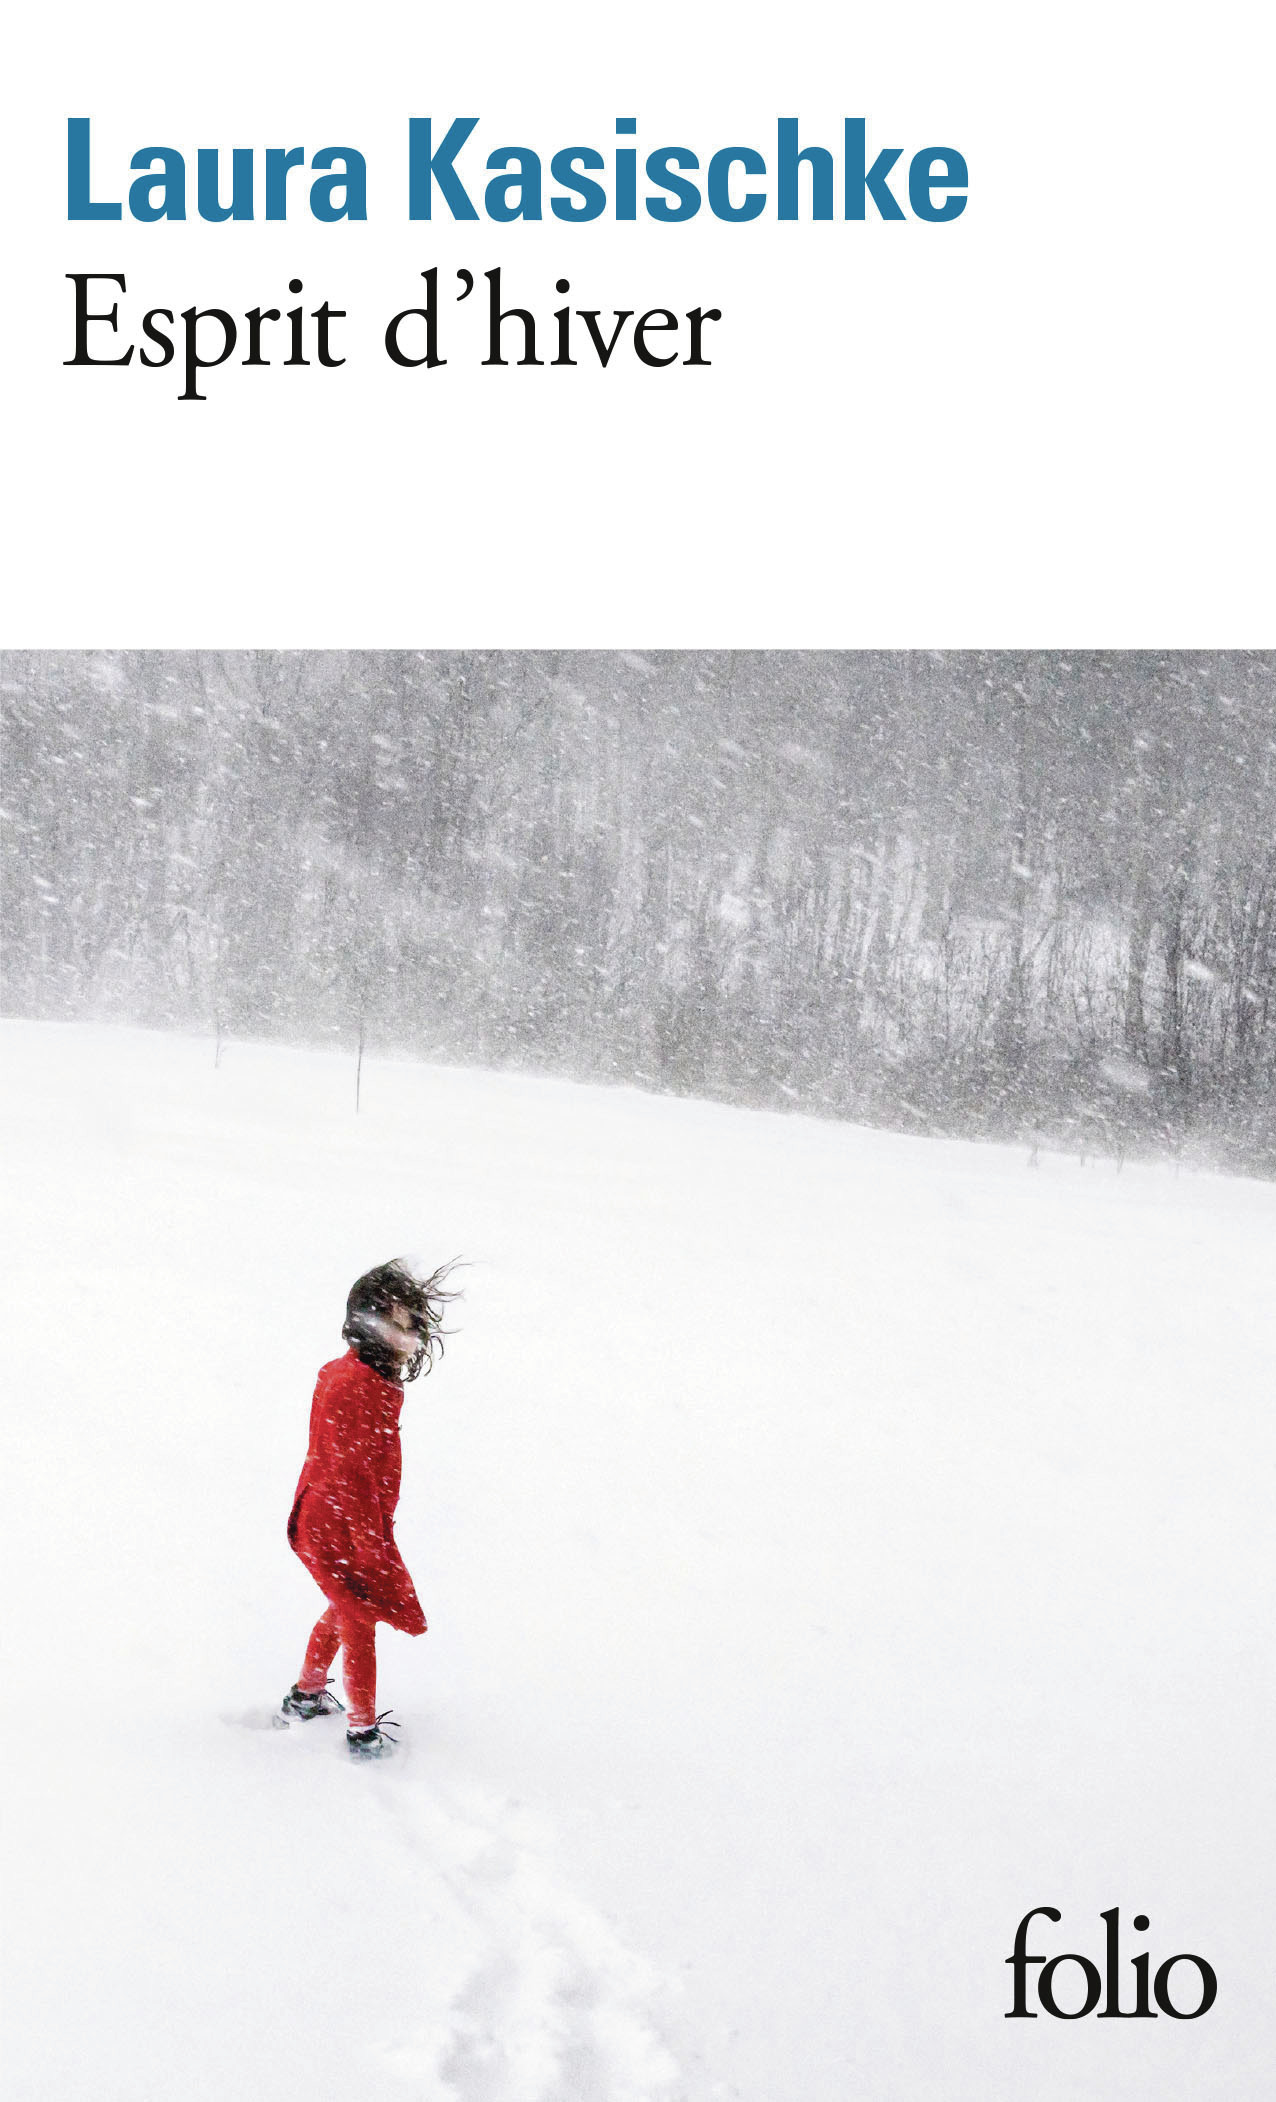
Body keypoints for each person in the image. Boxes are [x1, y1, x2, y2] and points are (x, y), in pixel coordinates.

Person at [281, 1258, 456, 1759]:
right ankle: (362, 1734)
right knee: (359, 1618)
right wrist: (370, 1545)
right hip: (338, 1526)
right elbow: (350, 1474)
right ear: (368, 1323)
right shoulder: (355, 1386)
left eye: (412, 1324)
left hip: (336, 1519)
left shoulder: (355, 1376)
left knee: (345, 1607)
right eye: (397, 1323)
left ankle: (305, 1697)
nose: (408, 1336)